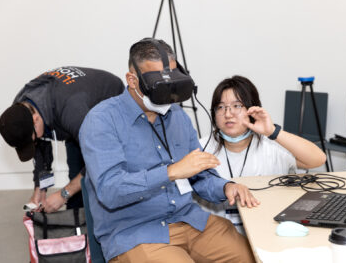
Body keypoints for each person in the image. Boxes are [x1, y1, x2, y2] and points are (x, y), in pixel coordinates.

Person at [79, 38, 260, 263]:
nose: (167, 94)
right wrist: (171, 172)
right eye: (158, 84)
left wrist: (226, 187)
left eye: (171, 82)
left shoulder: (178, 117)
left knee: (253, 257)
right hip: (136, 233)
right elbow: (110, 190)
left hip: (189, 219)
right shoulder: (102, 121)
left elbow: (200, 175)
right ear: (132, 80)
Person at [197, 75, 327, 234]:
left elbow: (318, 159)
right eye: (221, 107)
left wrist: (272, 131)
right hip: (217, 238)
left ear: (252, 110)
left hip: (265, 232)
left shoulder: (273, 146)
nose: (228, 114)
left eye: (237, 106)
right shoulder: (200, 149)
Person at [0, 66, 125, 213]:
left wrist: (64, 194)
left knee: (95, 179)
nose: (33, 143)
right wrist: (40, 187)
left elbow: (99, 158)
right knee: (75, 174)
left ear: (35, 119)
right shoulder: (21, 107)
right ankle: (78, 224)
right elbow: (40, 145)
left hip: (110, 101)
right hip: (73, 112)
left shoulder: (71, 112)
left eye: (31, 140)